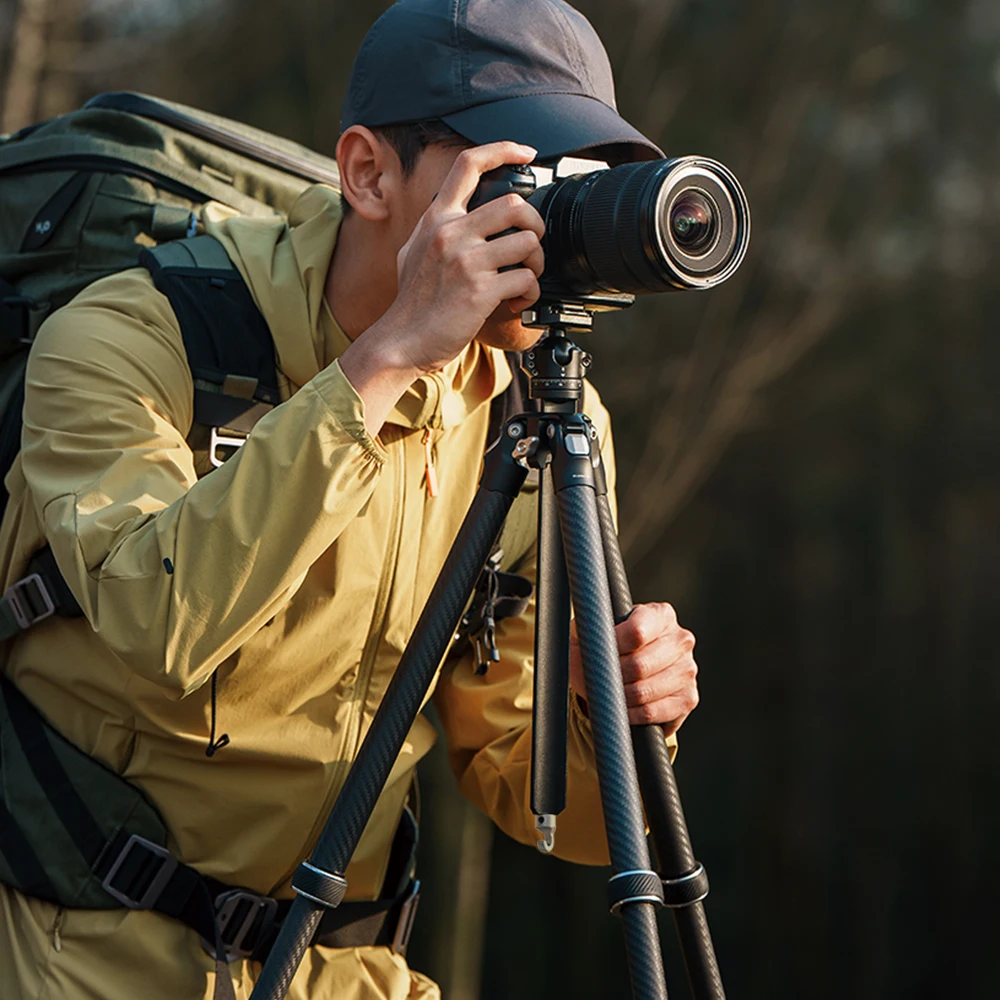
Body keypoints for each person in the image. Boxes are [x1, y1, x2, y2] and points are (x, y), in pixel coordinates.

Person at [0, 1, 700, 998]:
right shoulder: (128, 337)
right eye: (517, 177)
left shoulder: (538, 413)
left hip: (343, 966)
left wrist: (617, 718)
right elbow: (158, 624)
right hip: (87, 954)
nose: (545, 226)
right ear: (369, 174)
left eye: (578, 182)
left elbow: (541, 799)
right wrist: (387, 359)